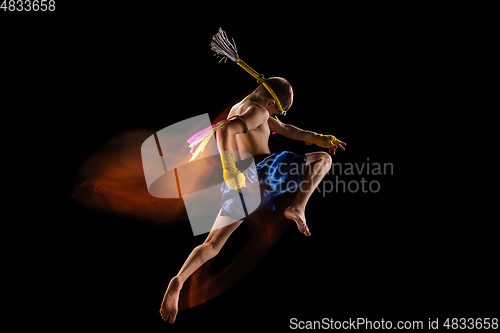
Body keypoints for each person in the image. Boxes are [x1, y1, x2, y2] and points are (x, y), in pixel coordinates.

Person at [159, 76, 346, 323]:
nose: (277, 118)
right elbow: (225, 131)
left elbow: (288, 130)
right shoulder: (258, 112)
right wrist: (229, 168)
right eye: (277, 112)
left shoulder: (242, 109)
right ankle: (297, 207)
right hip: (262, 172)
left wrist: (316, 136)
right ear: (269, 103)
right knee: (324, 160)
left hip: (240, 188)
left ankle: (179, 280)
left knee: (212, 245)